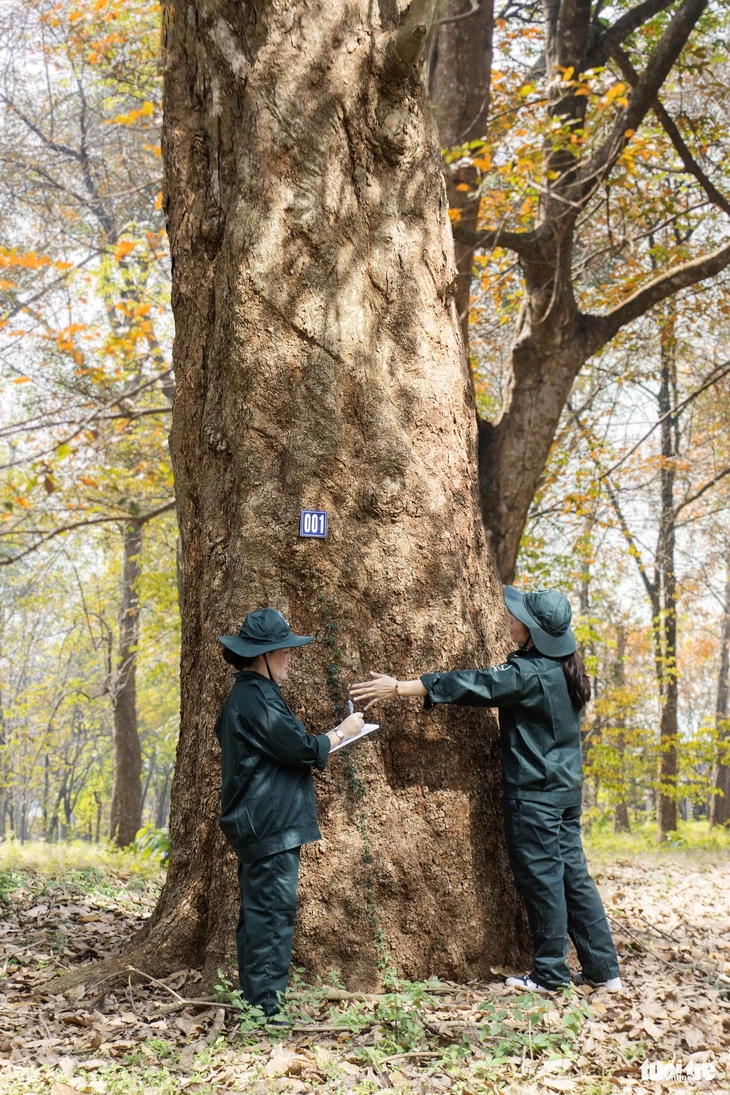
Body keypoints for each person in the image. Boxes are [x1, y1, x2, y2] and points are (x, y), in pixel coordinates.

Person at [349, 586, 621, 994]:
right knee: (573, 878)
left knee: (543, 880)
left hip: (536, 797)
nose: (509, 619)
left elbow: (472, 684)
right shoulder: (565, 668)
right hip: (564, 794)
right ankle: (604, 969)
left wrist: (401, 687)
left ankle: (550, 975)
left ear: (533, 631)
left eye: (518, 617)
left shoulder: (529, 674)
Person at [215, 607, 364, 1017]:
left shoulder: (248, 696)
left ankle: (256, 1003)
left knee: (259, 914)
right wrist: (342, 732)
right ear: (261, 655)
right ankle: (264, 1011)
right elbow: (299, 748)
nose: (289, 659)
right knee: (271, 916)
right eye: (284, 651)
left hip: (260, 823)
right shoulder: (255, 698)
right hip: (269, 826)